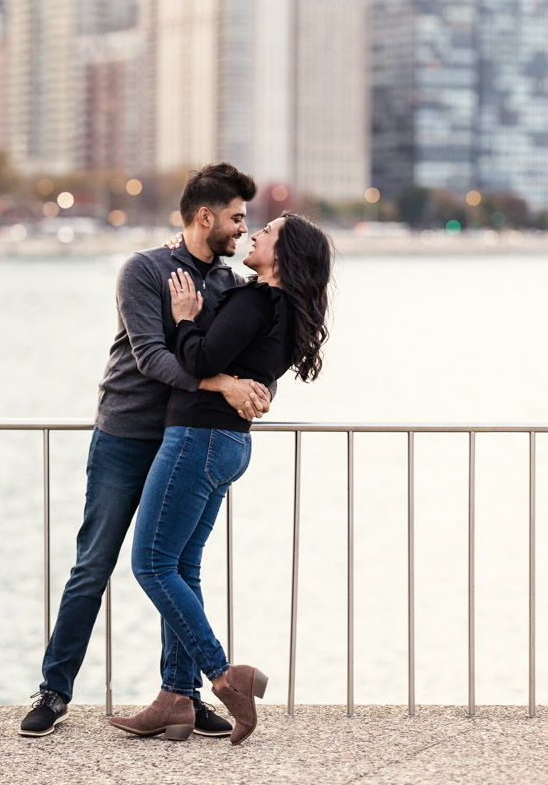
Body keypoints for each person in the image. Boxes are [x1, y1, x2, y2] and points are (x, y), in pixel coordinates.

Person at [20, 163, 275, 738]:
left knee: (180, 569)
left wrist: (252, 387)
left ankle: (181, 695)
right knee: (93, 566)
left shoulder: (233, 286)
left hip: (186, 442)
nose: (242, 229)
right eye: (236, 218)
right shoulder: (144, 270)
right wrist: (217, 384)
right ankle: (54, 691)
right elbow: (151, 356)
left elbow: (246, 356)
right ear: (204, 217)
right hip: (124, 437)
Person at [108, 212, 333, 745]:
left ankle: (222, 675)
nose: (254, 233)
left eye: (268, 231)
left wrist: (185, 318)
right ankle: (174, 699)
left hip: (198, 438)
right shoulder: (281, 310)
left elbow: (202, 357)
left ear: (283, 255)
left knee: (150, 563)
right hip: (228, 444)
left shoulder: (257, 301)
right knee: (182, 567)